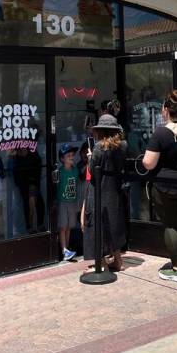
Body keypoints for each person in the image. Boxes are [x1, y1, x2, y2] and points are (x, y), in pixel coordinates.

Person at [142, 90, 177, 283]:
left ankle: (176, 269)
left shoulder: (160, 133)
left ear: (165, 110)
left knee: (171, 226)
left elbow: (149, 162)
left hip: (166, 186)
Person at [81, 114, 127, 270]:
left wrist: (89, 158)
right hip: (114, 191)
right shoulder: (122, 146)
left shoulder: (99, 147)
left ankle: (101, 265)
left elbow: (93, 171)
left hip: (98, 191)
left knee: (96, 227)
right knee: (113, 225)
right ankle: (118, 261)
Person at [57, 144, 80, 261]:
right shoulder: (60, 172)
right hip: (62, 202)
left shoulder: (75, 170)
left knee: (69, 226)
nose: (71, 157)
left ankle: (67, 248)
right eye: (68, 155)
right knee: (63, 226)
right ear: (62, 159)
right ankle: (64, 249)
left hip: (72, 201)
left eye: (72, 155)